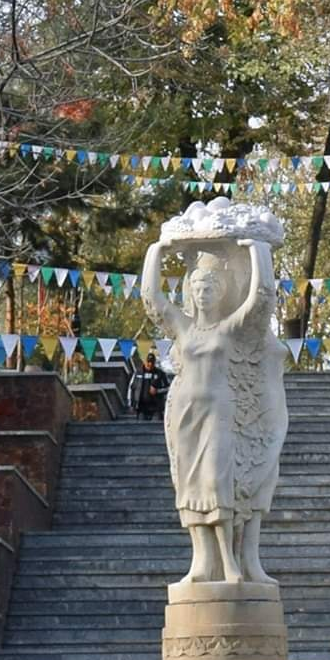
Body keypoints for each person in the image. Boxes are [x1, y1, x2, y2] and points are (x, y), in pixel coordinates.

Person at [140, 232, 285, 584]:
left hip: (220, 412)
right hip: (186, 413)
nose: (203, 294)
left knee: (218, 481)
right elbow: (152, 299)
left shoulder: (230, 328)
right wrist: (154, 252)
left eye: (210, 288)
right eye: (198, 288)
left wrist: (258, 253)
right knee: (189, 486)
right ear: (191, 292)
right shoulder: (183, 325)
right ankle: (201, 565)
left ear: (220, 293)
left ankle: (231, 565)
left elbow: (259, 300)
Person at [129, 353, 170, 420]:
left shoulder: (160, 373)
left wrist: (157, 391)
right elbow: (131, 388)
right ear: (144, 362)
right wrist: (131, 404)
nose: (150, 364)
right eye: (148, 362)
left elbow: (169, 388)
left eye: (152, 362)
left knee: (155, 426)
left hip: (156, 408)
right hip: (141, 407)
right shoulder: (137, 373)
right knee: (141, 427)